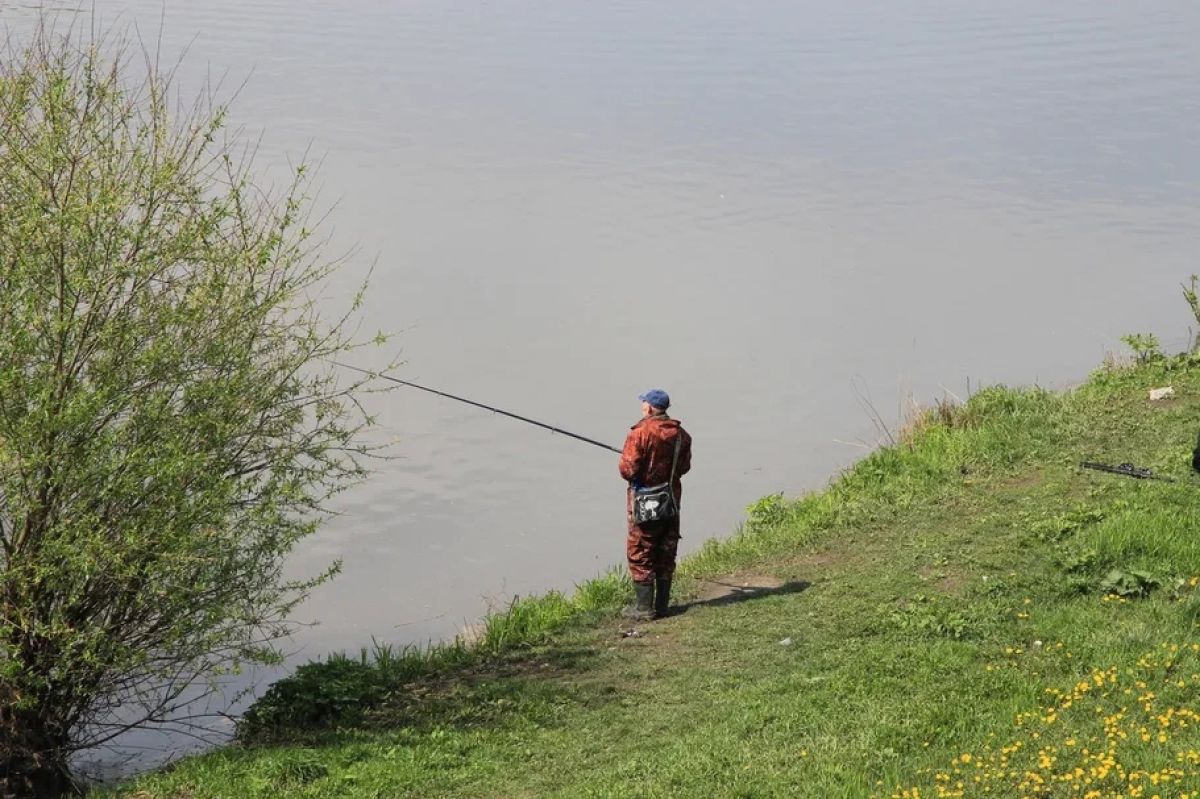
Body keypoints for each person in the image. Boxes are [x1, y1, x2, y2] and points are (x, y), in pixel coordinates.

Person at [619, 389, 692, 620]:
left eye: (644, 403)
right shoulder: (681, 434)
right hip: (670, 500)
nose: (642, 406)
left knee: (641, 551)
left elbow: (628, 470)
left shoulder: (639, 433)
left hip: (645, 502)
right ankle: (662, 606)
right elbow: (684, 468)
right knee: (666, 549)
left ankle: (644, 609)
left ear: (649, 407)